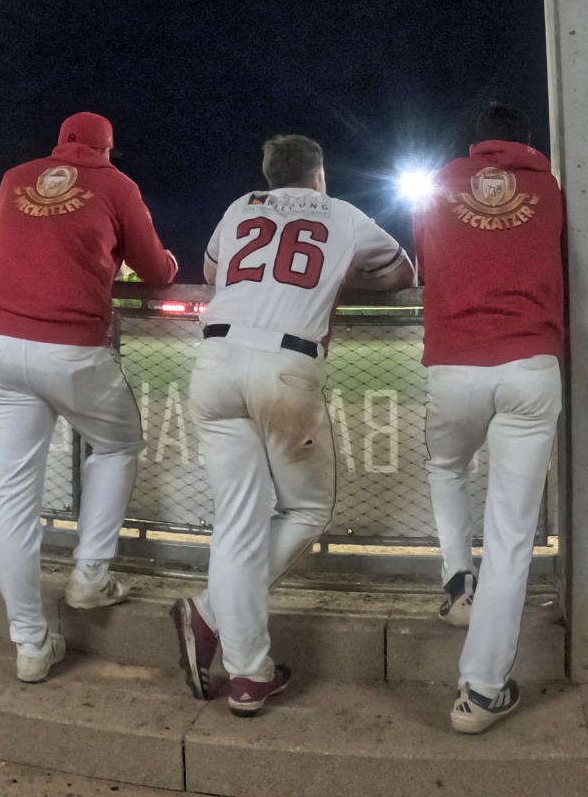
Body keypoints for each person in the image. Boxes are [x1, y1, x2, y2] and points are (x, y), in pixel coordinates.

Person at [170, 134, 414, 717]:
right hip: (285, 367)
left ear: (269, 173)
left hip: (215, 362)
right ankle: (212, 616)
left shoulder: (240, 206)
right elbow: (403, 274)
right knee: (306, 508)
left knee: (237, 522)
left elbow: (215, 273)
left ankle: (246, 669)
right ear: (318, 175)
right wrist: (335, 279)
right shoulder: (342, 212)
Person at [0, 112, 178, 683]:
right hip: (69, 345)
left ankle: (30, 644)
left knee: (12, 498)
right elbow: (156, 270)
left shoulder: (15, 178)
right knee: (117, 445)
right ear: (106, 149)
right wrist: (163, 263)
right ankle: (90, 575)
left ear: (60, 143)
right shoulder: (116, 184)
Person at [411, 103, 565, 734]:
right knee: (511, 535)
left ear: (476, 144)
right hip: (531, 362)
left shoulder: (439, 185)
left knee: (446, 466)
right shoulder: (550, 186)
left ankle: (457, 582)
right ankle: (481, 691)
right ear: (525, 142)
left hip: (455, 363)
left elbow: (426, 265)